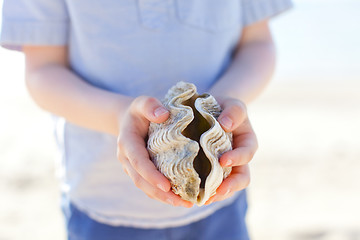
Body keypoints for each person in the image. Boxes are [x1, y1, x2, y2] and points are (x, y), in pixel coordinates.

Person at [1, 0, 292, 239]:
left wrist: (221, 107)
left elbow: (257, 43)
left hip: (221, 199)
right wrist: (118, 114)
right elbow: (43, 71)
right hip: (103, 204)